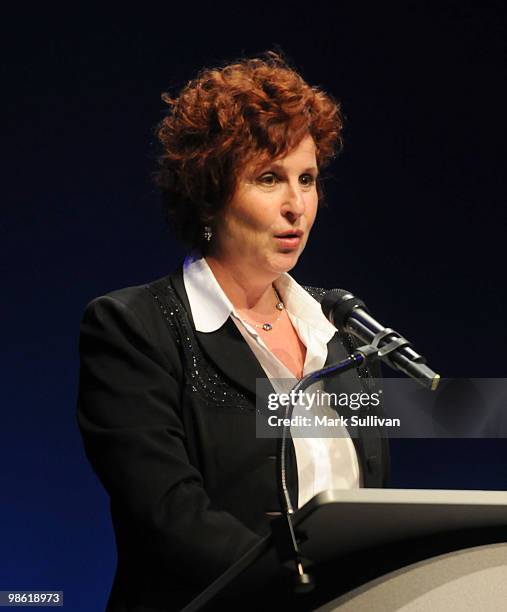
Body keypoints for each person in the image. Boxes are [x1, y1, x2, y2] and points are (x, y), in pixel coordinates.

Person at [77, 52, 390, 612]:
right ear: (210, 191)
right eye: (269, 179)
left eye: (308, 179)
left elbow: (372, 500)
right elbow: (170, 515)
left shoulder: (338, 331)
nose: (297, 206)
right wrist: (304, 591)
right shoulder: (134, 328)